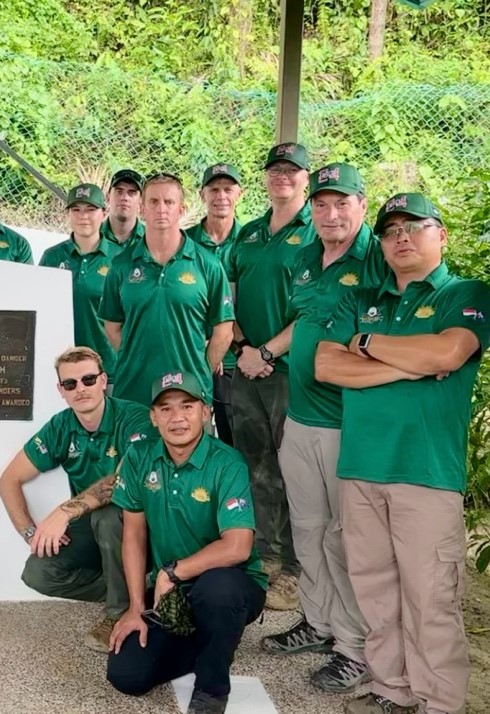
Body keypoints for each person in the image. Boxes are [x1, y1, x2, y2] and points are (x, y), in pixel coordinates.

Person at [315, 193, 490, 714]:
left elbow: (449, 351)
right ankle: (392, 689)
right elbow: (327, 366)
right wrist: (406, 360)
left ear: (442, 235)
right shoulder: (360, 300)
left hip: (426, 472)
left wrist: (365, 347)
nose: (401, 238)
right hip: (362, 468)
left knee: (430, 598)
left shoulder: (465, 291)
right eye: (391, 231)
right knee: (375, 590)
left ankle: (439, 703)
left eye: (415, 227)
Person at [260, 163, 385, 693]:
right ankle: (319, 621)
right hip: (301, 416)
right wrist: (269, 350)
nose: (331, 214)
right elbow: (306, 323)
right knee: (307, 529)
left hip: (346, 424)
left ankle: (355, 648)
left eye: (342, 203)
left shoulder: (377, 260)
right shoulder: (307, 257)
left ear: (362, 205)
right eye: (322, 204)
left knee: (344, 539)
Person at [107, 371, 267, 714]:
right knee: (127, 675)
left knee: (217, 589)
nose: (177, 417)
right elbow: (133, 535)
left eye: (187, 406)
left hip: (230, 584)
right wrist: (136, 607)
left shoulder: (227, 463)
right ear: (153, 417)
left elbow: (238, 546)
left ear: (205, 411)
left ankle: (211, 689)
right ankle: (213, 641)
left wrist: (171, 573)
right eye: (165, 409)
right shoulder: (139, 457)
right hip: (172, 594)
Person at [0, 347, 153, 652]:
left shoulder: (135, 417)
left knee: (106, 517)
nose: (81, 389)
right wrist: (31, 533)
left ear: (103, 380)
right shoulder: (61, 426)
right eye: (70, 384)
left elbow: (121, 482)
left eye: (88, 379)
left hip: (145, 526)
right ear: (61, 391)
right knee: (38, 573)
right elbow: (8, 481)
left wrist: (65, 511)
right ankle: (141, 588)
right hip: (96, 530)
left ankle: (118, 613)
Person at [224, 142, 316, 610]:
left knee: (295, 471)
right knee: (255, 465)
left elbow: (315, 311)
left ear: (306, 178)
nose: (282, 177)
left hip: (288, 371)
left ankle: (299, 570)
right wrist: (243, 349)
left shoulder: (315, 233)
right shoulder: (250, 234)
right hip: (246, 368)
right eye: (275, 170)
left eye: (291, 170)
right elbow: (228, 299)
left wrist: (267, 351)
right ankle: (267, 557)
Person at [101, 174, 234, 407]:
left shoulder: (208, 264)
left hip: (189, 394)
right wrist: (137, 354)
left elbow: (224, 332)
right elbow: (112, 326)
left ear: (181, 209)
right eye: (153, 202)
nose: (161, 209)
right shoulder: (122, 265)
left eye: (169, 202)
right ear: (142, 208)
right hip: (134, 391)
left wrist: (200, 371)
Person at [185, 163, 245, 446]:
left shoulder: (250, 240)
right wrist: (209, 346)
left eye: (228, 189)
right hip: (193, 356)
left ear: (239, 194)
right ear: (202, 194)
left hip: (237, 360)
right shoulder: (184, 241)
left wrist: (225, 345)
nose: (221, 196)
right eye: (214, 189)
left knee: (236, 440)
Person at [39, 184, 123, 383]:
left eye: (90, 209)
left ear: (104, 213)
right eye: (76, 210)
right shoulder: (52, 257)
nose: (82, 216)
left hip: (108, 369)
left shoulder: (120, 259)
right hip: (63, 369)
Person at [101, 169, 146, 249]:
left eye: (131, 193)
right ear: (108, 197)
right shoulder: (91, 236)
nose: (125, 198)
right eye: (119, 192)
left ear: (141, 201)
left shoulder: (153, 239)